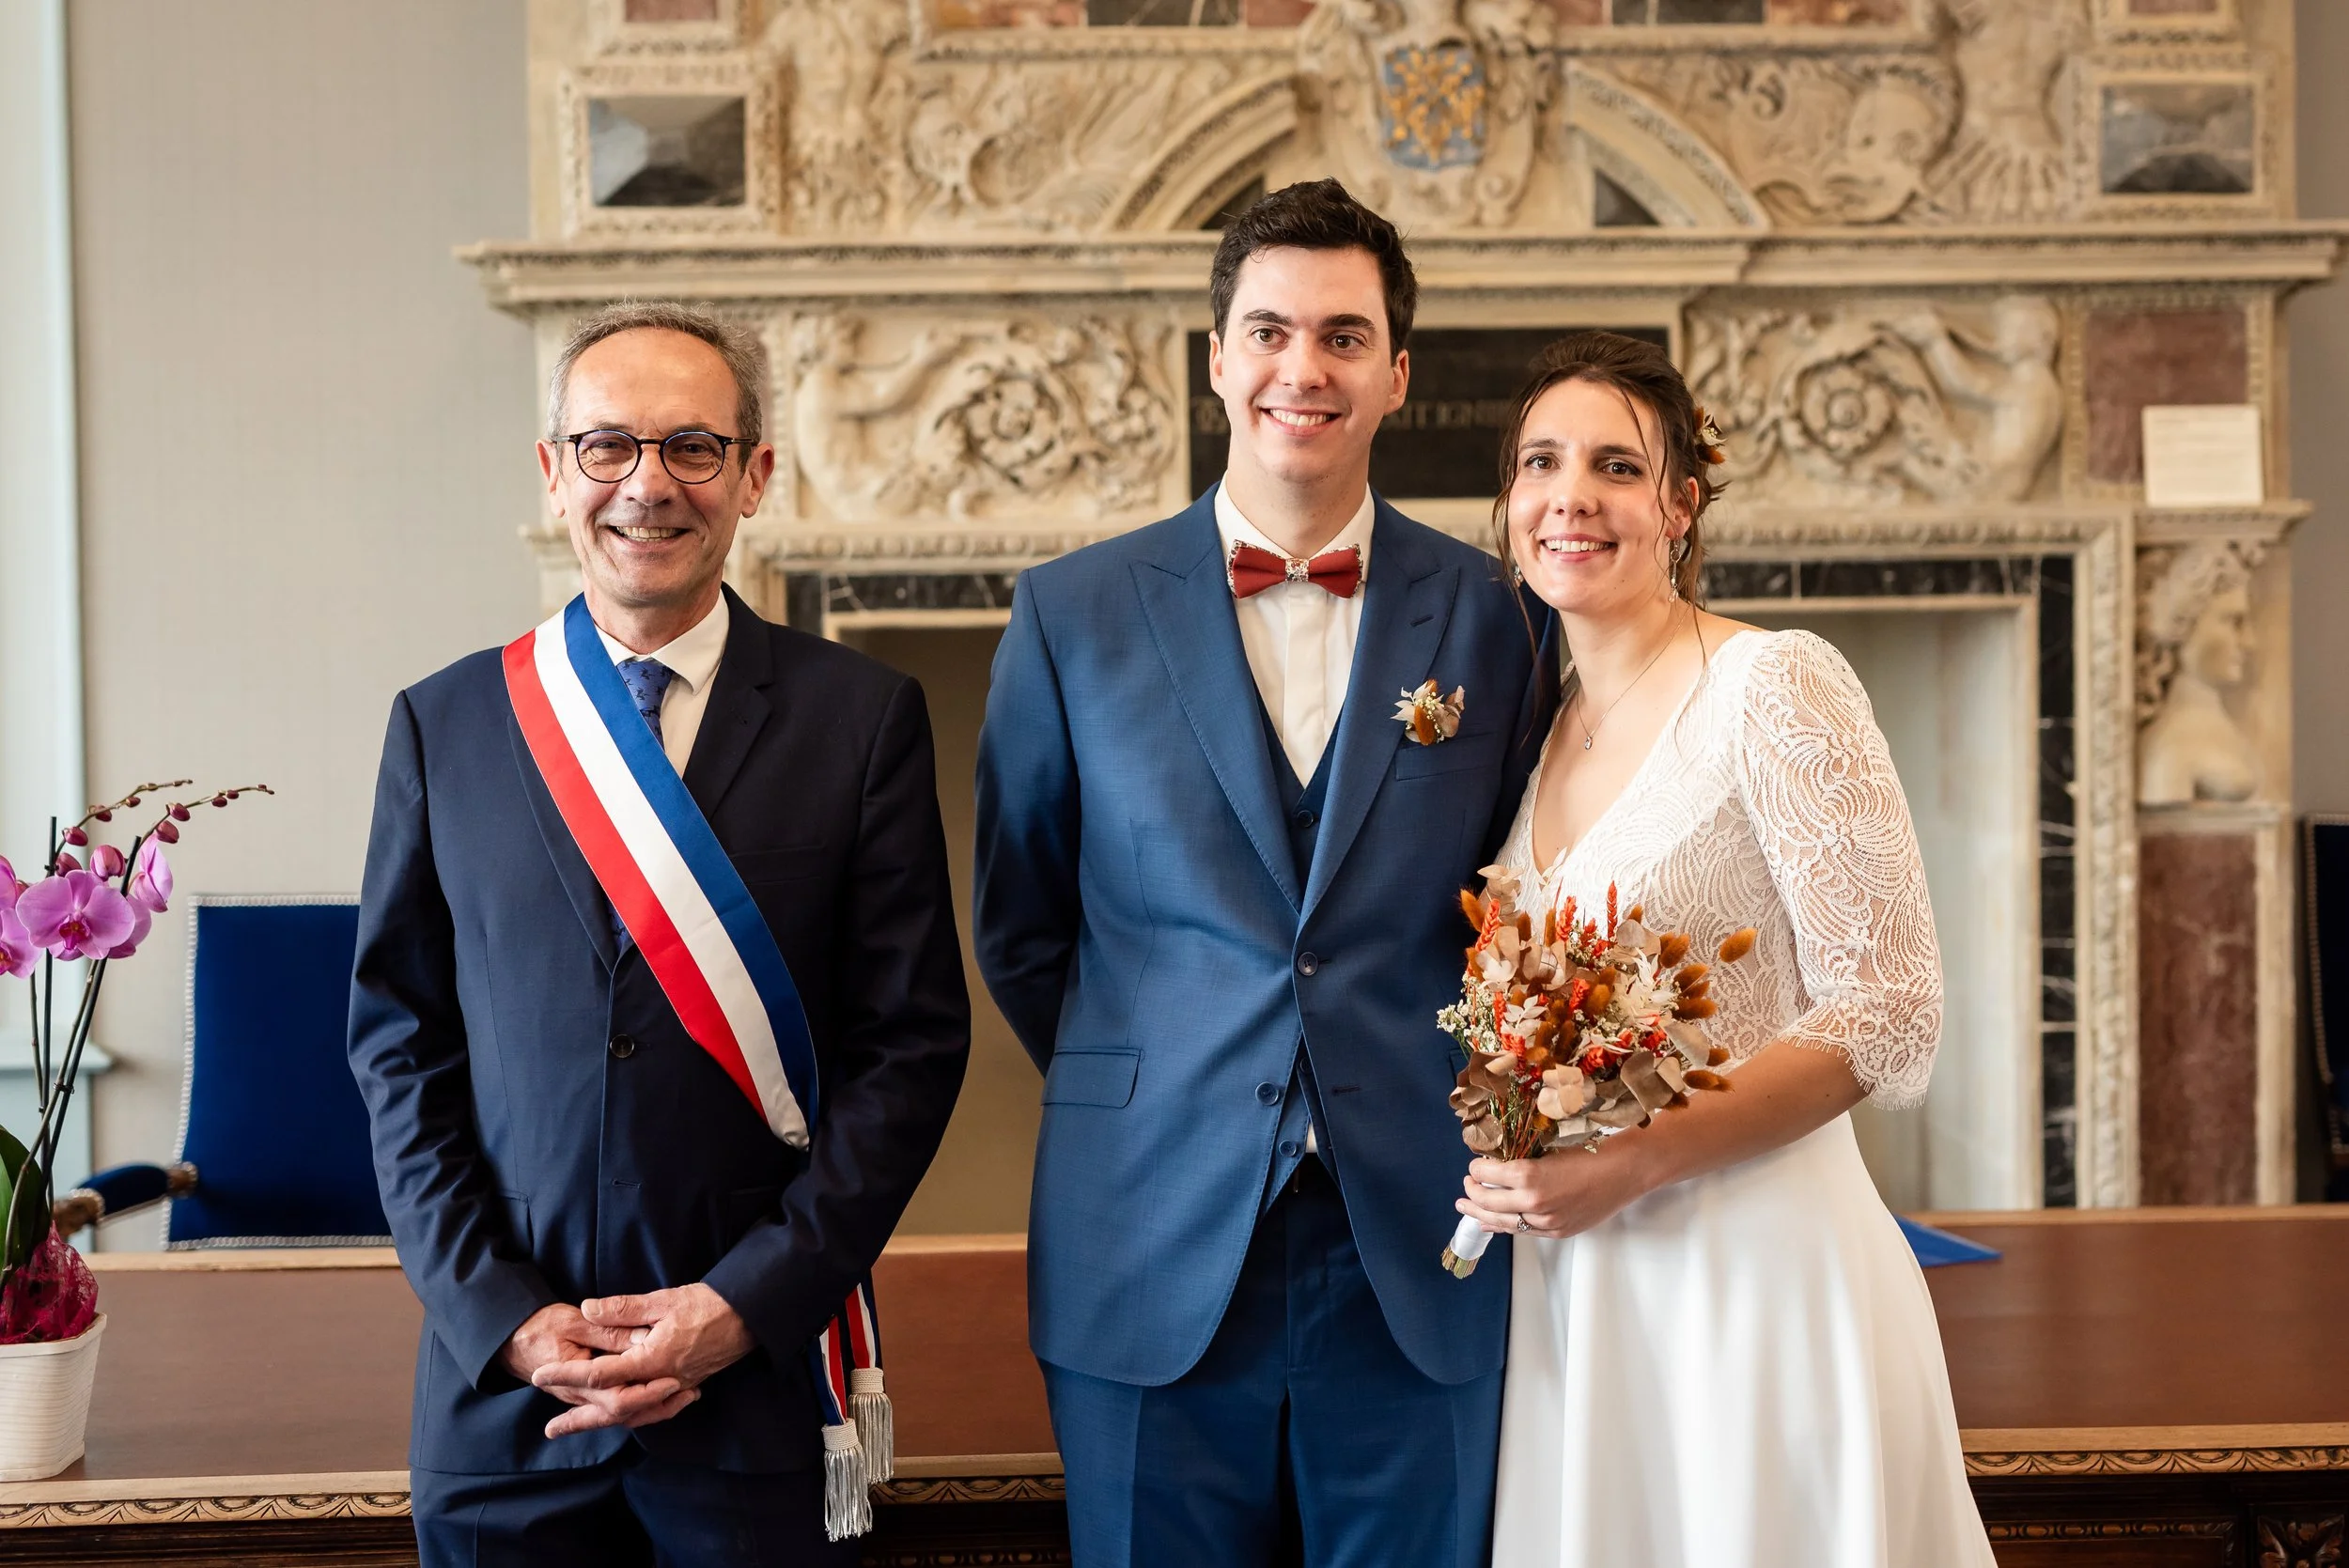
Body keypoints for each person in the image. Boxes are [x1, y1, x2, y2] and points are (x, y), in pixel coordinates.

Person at [972, 179, 1556, 1568]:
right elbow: (1021, 922)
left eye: (1346, 337)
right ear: (1218, 358)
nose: (1306, 368)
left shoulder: (1505, 619)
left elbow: (1525, 910)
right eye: (1271, 332)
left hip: (1420, 1235)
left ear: (1397, 374)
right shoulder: (1070, 614)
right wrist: (1174, 1063)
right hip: (1146, 1229)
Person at [348, 302, 970, 1568]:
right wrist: (504, 1318)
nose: (648, 485)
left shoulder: (862, 720)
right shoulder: (443, 724)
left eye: (693, 446)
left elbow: (907, 1051)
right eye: (607, 445)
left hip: (755, 1389)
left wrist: (741, 1308)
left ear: (755, 475)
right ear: (553, 471)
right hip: (507, 1401)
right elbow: (398, 1049)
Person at [1456, 330, 1995, 1566]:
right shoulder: (1542, 726)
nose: (1570, 496)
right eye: (1541, 462)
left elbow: (1888, 1010)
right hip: (1582, 1297)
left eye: (1617, 466)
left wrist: (1632, 1160)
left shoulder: (1774, 685)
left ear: (1681, 505)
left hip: (1754, 1277)